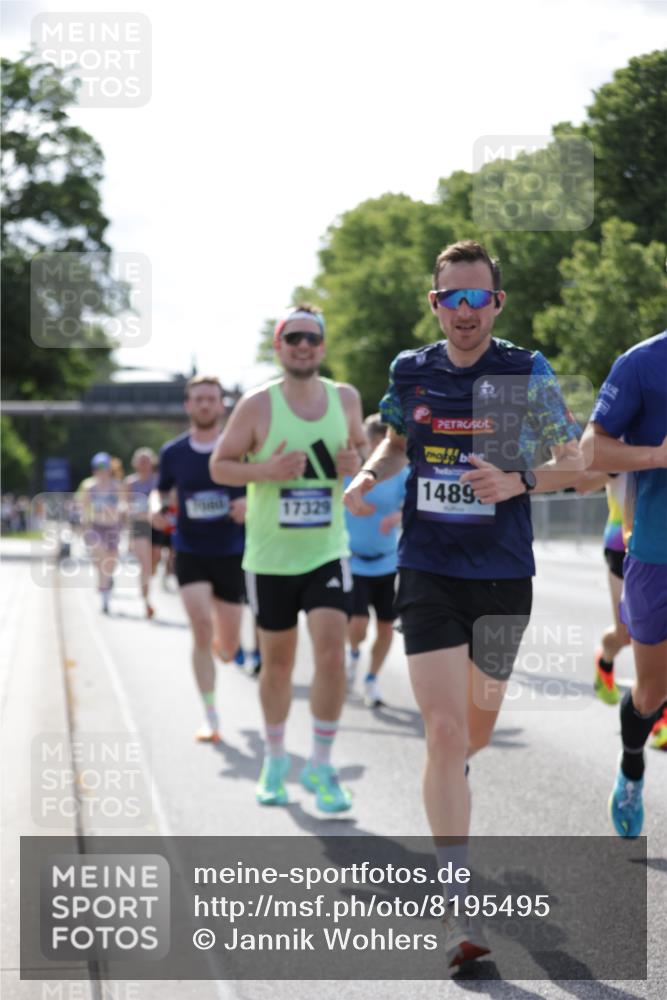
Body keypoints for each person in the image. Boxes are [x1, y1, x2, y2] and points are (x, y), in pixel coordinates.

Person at [344, 240, 582, 967]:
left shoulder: (524, 371)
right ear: (435, 303)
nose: (466, 310)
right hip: (427, 568)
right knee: (443, 732)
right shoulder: (410, 370)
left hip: (503, 575)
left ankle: (457, 776)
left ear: (497, 304)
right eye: (454, 297)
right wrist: (369, 474)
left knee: (473, 733)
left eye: (479, 297)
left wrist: (518, 480)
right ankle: (457, 907)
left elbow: (577, 464)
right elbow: (396, 442)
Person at [210, 304, 366, 812]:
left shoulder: (346, 398)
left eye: (311, 338)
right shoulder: (257, 405)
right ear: (278, 347)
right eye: (293, 338)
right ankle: (276, 759)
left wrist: (356, 463)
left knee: (331, 656)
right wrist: (266, 471)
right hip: (271, 559)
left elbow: (364, 457)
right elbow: (220, 466)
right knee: (277, 666)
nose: (303, 346)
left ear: (322, 346)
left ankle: (320, 764)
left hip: (327, 552)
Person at [582, 330, 667, 837]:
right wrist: (657, 456)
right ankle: (632, 764)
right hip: (658, 550)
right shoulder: (643, 362)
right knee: (653, 689)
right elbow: (592, 450)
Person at [154, 376, 247, 743]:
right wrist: (157, 509)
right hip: (190, 550)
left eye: (211, 398)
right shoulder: (173, 452)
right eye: (199, 399)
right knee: (200, 628)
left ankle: (226, 645)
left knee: (228, 649)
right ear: (188, 405)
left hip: (232, 552)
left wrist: (249, 503)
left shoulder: (239, 448)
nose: (205, 404)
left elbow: (263, 487)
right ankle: (210, 716)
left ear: (221, 405)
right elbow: (161, 492)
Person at [344, 413, 408, 707]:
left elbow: (415, 503)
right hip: (354, 561)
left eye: (388, 442)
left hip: (387, 562)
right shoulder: (351, 473)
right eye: (378, 442)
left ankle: (371, 679)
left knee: (385, 627)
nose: (384, 449)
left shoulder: (400, 473)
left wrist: (398, 516)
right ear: (366, 443)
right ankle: (353, 654)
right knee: (358, 624)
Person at [576, 472, 630, 703]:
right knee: (625, 634)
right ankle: (605, 662)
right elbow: (583, 484)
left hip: (659, 546)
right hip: (621, 545)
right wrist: (613, 465)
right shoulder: (618, 446)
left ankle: (660, 711)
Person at [83, 452, 122, 613]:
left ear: (109, 469)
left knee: (111, 561)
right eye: (98, 469)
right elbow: (85, 510)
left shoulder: (117, 487)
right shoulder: (89, 487)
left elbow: (123, 506)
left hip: (112, 527)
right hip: (96, 526)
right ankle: (104, 597)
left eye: (104, 468)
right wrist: (85, 530)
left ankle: (107, 581)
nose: (101, 472)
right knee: (100, 560)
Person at [123, 447, 160, 618]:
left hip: (157, 525)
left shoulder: (159, 480)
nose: (144, 464)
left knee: (154, 561)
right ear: (135, 463)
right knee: (145, 564)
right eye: (141, 460)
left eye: (147, 460)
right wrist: (129, 535)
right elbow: (125, 505)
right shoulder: (130, 483)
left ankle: (148, 581)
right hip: (139, 525)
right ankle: (146, 602)